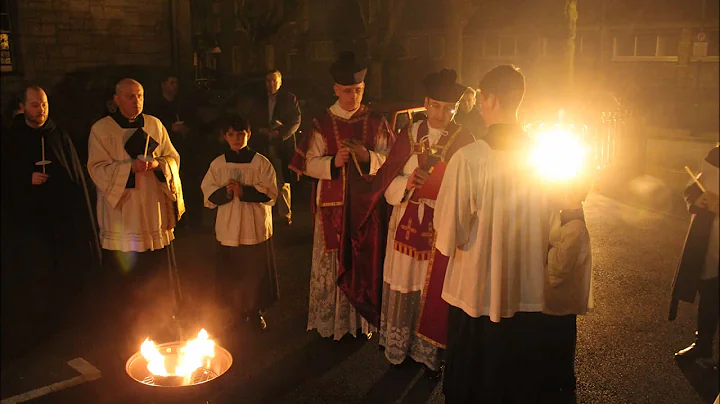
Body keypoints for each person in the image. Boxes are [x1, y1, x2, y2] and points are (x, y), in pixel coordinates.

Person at [434, 65, 553, 403]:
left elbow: (448, 234)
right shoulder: (542, 156)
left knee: (471, 388)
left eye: (480, 99)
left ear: (489, 99)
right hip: (525, 291)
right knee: (516, 386)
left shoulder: (469, 159)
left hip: (476, 294)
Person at [363, 69, 475, 375]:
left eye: (449, 108)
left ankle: (428, 352)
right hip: (405, 217)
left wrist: (440, 186)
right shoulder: (409, 134)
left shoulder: (465, 139)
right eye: (436, 106)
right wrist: (409, 182)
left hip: (440, 223)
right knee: (404, 280)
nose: (442, 113)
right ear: (426, 103)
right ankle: (399, 344)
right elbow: (388, 181)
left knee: (432, 286)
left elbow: (469, 188)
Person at [289, 51, 393, 340]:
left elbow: (392, 160)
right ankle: (333, 320)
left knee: (363, 260)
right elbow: (307, 164)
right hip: (332, 205)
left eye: (358, 91)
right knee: (333, 262)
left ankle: (361, 320)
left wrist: (367, 156)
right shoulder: (321, 123)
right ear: (335, 89)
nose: (353, 97)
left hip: (366, 207)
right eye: (347, 91)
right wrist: (333, 163)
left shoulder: (375, 121)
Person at [1, 85, 100, 358]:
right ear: (22, 107)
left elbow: (73, 177)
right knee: (36, 273)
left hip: (60, 220)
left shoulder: (58, 135)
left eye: (44, 104)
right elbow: (6, 178)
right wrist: (26, 179)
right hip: (28, 223)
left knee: (63, 270)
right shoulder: (12, 138)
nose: (41, 110)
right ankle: (38, 328)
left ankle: (67, 321)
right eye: (35, 105)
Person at [87, 78, 184, 348]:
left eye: (140, 95)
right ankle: (127, 333)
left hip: (152, 212)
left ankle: (162, 325)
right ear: (116, 99)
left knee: (156, 275)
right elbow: (96, 169)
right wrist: (129, 169)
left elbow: (173, 158)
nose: (136, 101)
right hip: (124, 216)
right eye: (129, 96)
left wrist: (158, 165)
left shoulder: (154, 124)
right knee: (127, 280)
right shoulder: (101, 129)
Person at [201, 114, 279, 331]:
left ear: (249, 134)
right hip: (229, 227)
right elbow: (207, 193)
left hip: (253, 227)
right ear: (225, 136)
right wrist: (225, 192)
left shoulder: (261, 162)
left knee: (253, 272)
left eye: (241, 134)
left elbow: (271, 192)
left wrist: (243, 191)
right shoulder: (218, 164)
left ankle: (255, 312)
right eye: (232, 134)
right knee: (233, 272)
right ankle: (235, 311)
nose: (236, 138)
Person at [541, 181, 594, 396]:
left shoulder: (575, 228)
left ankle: (560, 384)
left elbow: (558, 269)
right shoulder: (564, 219)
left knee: (558, 345)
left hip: (559, 302)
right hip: (553, 301)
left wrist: (543, 247)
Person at [669, 144, 719, 368]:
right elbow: (692, 186)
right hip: (709, 236)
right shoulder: (714, 154)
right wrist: (696, 200)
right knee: (709, 292)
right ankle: (703, 344)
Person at [251, 69, 301, 226]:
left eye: (274, 80)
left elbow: (296, 120)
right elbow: (252, 118)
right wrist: (261, 130)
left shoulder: (288, 99)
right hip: (263, 144)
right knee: (262, 177)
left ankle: (284, 214)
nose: (271, 84)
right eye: (268, 81)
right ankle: (264, 211)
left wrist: (280, 133)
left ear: (280, 81)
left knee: (282, 180)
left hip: (281, 145)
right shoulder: (259, 99)